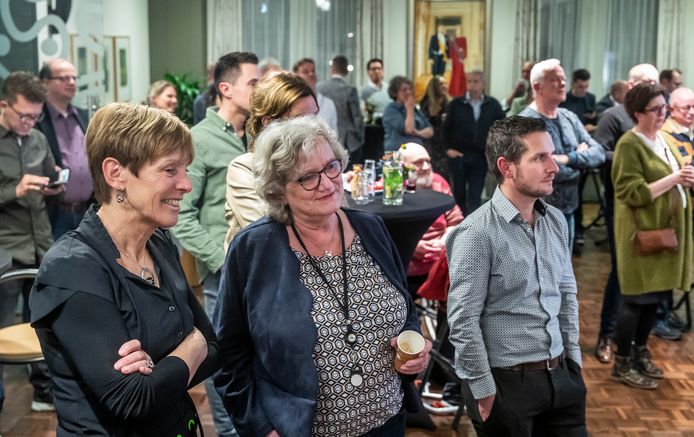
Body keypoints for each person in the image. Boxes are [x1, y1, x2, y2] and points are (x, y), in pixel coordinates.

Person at [214, 116, 431, 437]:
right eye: (308, 177)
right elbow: (227, 352)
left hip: (387, 422)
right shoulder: (254, 247)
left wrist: (416, 345)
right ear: (278, 190)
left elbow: (405, 310)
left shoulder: (370, 227)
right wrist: (260, 427)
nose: (328, 183)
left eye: (331, 167)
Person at [29, 103, 220, 435]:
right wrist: (192, 344)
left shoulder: (160, 244)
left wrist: (160, 366)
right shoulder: (71, 267)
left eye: (185, 169)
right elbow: (134, 399)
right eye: (170, 170)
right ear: (115, 173)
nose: (186, 185)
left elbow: (215, 350)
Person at [446, 116, 586, 436]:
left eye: (551, 155)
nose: (554, 167)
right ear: (506, 167)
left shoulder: (556, 222)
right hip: (507, 384)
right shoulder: (476, 233)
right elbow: (463, 319)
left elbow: (566, 296)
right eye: (540, 157)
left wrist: (574, 363)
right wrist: (483, 389)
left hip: (562, 378)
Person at [172, 51, 259, 437]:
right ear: (225, 89)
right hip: (222, 270)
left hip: (260, 267)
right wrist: (222, 259)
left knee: (253, 355)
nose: (260, 89)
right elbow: (182, 215)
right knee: (222, 356)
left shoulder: (256, 135)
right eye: (252, 83)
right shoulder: (199, 139)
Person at [610, 83, 693, 389]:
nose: (662, 114)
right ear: (637, 113)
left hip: (664, 233)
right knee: (635, 300)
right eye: (656, 110)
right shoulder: (629, 145)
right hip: (640, 235)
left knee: (653, 299)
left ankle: (640, 353)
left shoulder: (663, 140)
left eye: (664, 108)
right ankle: (622, 362)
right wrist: (675, 178)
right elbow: (630, 192)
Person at [0, 71, 62, 414]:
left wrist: (55, 186)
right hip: (6, 251)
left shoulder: (38, 138)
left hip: (41, 243)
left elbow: (54, 175)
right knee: (3, 328)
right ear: (4, 105)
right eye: (23, 115)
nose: (29, 122)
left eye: (35, 116)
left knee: (43, 323)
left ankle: (43, 391)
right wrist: (15, 190)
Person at [592, 64, 662, 363]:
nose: (652, 87)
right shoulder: (614, 116)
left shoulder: (658, 124)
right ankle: (607, 336)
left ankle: (635, 337)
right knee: (622, 273)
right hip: (621, 204)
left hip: (654, 208)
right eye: (646, 82)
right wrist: (627, 155)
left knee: (649, 273)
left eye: (656, 83)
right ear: (631, 86)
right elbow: (598, 153)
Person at [224, 72, 319, 248]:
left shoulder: (317, 164)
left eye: (314, 117)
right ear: (269, 123)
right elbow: (268, 234)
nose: (314, 128)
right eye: (302, 120)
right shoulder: (244, 168)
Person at [519, 59, 605, 251]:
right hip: (538, 213)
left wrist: (568, 158)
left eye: (563, 79)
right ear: (537, 87)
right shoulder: (525, 123)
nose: (563, 84)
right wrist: (579, 157)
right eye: (555, 80)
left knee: (563, 272)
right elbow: (536, 170)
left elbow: (598, 153)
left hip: (569, 209)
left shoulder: (569, 117)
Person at [37, 58, 92, 240]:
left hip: (88, 211)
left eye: (74, 78)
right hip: (56, 213)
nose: (71, 82)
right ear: (45, 82)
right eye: (64, 78)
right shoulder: (36, 120)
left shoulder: (84, 116)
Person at [442, 70, 505, 214]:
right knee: (458, 196)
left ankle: (473, 231)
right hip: (459, 156)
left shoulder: (492, 104)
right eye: (469, 81)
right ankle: (459, 228)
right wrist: (448, 150)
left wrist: (493, 153)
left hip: (481, 157)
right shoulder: (456, 104)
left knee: (475, 197)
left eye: (476, 81)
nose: (472, 85)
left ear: (483, 84)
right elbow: (445, 129)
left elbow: (502, 130)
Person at [399, 142, 463, 282]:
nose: (427, 167)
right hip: (405, 262)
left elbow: (456, 220)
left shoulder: (438, 182)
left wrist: (445, 241)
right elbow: (383, 230)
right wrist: (412, 246)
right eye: (418, 163)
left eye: (428, 161)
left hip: (442, 258)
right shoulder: (390, 187)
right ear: (402, 166)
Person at [317, 55, 365, 164]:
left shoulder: (320, 87)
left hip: (325, 136)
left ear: (332, 69)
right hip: (348, 140)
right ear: (346, 70)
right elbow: (357, 117)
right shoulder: (350, 90)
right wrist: (361, 138)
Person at [382, 75, 433, 152]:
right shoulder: (391, 110)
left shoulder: (415, 109)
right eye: (404, 90)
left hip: (416, 151)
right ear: (395, 93)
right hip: (398, 152)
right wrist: (409, 110)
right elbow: (408, 129)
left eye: (410, 89)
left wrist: (417, 133)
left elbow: (430, 131)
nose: (408, 92)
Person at [292, 58, 338, 131]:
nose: (311, 74)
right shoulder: (292, 104)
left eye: (313, 71)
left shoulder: (329, 103)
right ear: (296, 76)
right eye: (305, 72)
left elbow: (334, 132)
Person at [420, 75, 451, 179]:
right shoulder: (427, 104)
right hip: (432, 145)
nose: (444, 86)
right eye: (441, 84)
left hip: (445, 144)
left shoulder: (449, 103)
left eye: (445, 83)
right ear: (434, 87)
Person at [448, 32, 467, 97]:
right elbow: (451, 52)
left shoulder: (463, 39)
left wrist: (462, 56)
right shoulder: (453, 41)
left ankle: (459, 91)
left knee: (460, 75)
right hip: (455, 60)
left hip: (459, 60)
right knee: (455, 75)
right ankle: (455, 92)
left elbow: (464, 51)